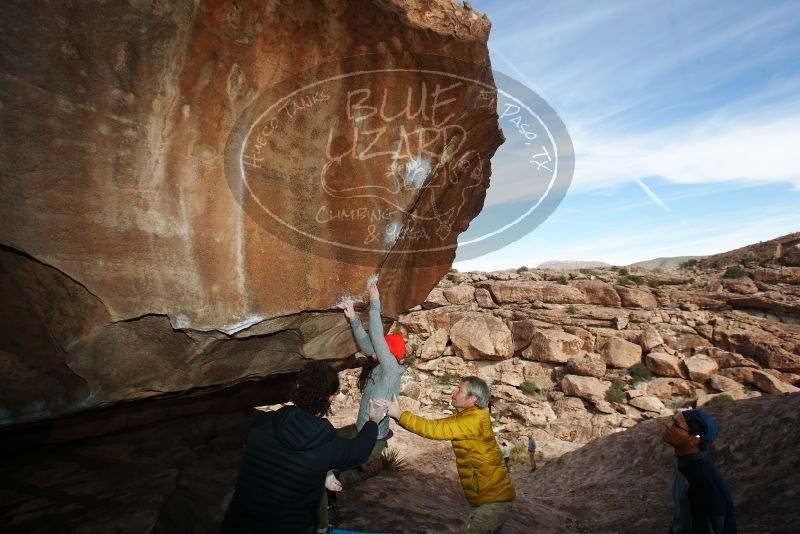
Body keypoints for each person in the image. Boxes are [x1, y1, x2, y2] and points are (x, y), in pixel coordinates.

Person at [221, 361, 383, 534]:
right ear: (330, 398)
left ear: (298, 388)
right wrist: (373, 421)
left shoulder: (261, 423)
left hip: (236, 525)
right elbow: (359, 451)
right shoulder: (326, 444)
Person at [378, 376, 516, 534]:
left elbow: (434, 429)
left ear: (473, 398)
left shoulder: (473, 421)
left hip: (494, 502)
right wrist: (400, 417)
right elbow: (435, 426)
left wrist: (399, 414)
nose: (453, 392)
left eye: (459, 390)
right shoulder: (469, 416)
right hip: (492, 500)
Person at [662, 409, 737, 534]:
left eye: (676, 425)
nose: (668, 425)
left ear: (694, 439)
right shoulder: (687, 467)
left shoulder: (702, 479)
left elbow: (714, 527)